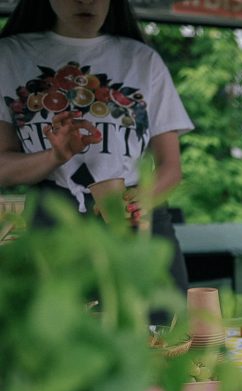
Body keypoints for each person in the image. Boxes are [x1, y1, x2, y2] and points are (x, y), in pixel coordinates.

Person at [0, 0, 193, 292]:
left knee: (163, 330)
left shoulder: (142, 59)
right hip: (48, 218)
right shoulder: (11, 56)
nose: (86, 1)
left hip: (135, 215)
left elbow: (171, 167)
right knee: (60, 331)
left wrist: (140, 201)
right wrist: (55, 156)